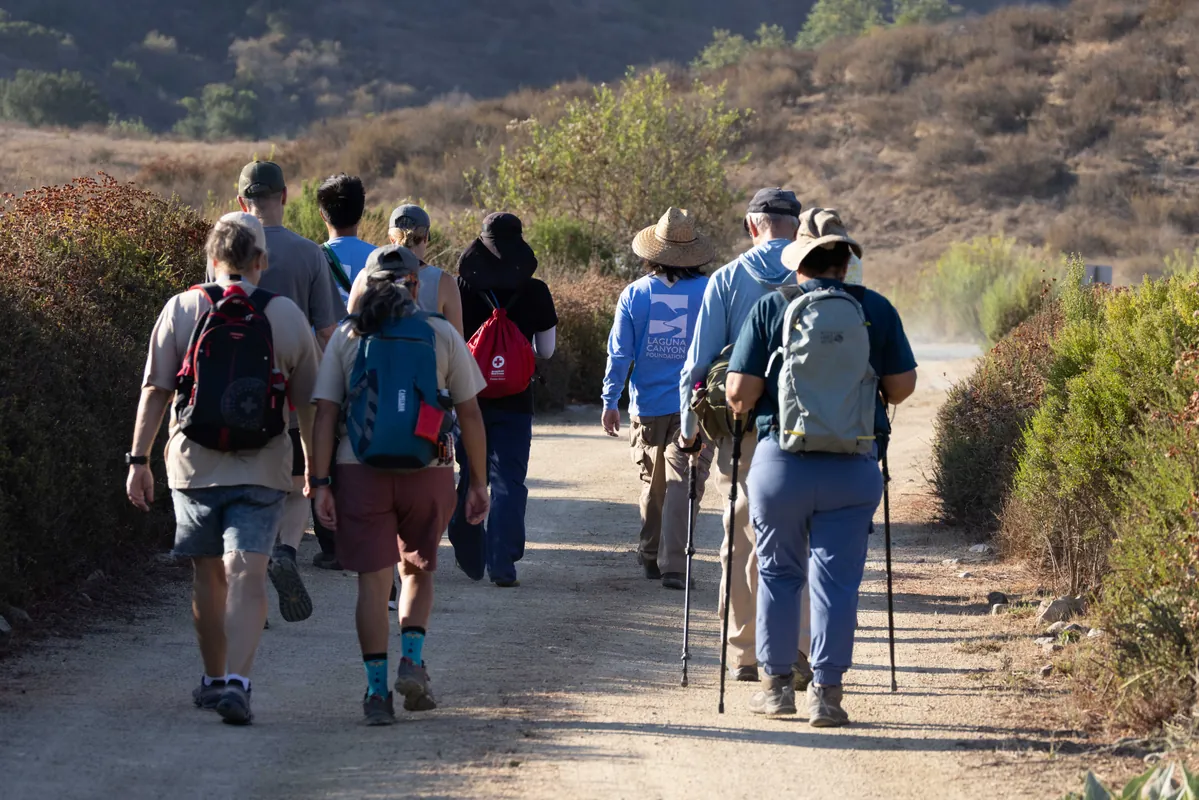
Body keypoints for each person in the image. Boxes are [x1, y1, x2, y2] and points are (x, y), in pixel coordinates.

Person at [725, 208, 918, 724]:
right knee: (835, 583)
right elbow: (901, 387)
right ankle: (827, 696)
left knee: (778, 574)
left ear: (800, 262)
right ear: (843, 262)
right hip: (852, 465)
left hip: (780, 465)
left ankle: (776, 689)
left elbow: (741, 394)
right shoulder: (875, 309)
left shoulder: (771, 308)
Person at [126, 212, 320, 724]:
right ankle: (239, 682)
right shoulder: (285, 315)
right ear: (262, 262)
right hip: (264, 465)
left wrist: (138, 459)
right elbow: (312, 405)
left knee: (207, 574)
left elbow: (157, 388)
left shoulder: (182, 306)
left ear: (212, 260)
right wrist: (317, 475)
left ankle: (212, 680)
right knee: (248, 573)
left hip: (192, 464)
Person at [310, 245, 491, 725]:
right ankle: (412, 658)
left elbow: (325, 412)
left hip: (358, 470)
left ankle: (375, 695)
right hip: (427, 469)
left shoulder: (348, 335)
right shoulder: (441, 333)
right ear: (416, 284)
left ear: (367, 285)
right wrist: (479, 482)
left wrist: (319, 481)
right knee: (418, 572)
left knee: (372, 587)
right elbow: (470, 412)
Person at [678, 188, 806, 685]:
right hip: (807, 425)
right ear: (796, 227)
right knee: (796, 535)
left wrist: (690, 434)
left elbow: (698, 364)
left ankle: (744, 653)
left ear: (753, 226)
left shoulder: (727, 279)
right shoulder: (813, 274)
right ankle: (795, 647)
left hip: (741, 426)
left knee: (740, 534)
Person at [209, 161, 347, 622]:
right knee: (294, 489)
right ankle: (285, 550)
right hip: (290, 397)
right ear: (285, 196)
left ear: (239, 199)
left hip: (228, 396)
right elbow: (327, 330)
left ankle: (247, 587)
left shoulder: (222, 250)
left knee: (240, 491)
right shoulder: (310, 254)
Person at [601, 208, 714, 590]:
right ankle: (674, 562)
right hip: (695, 406)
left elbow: (620, 353)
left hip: (647, 405)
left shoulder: (634, 293)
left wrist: (609, 400)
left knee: (654, 482)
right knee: (686, 482)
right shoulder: (708, 291)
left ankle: (649, 554)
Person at [448, 213, 558, 587]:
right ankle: (502, 562)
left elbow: (449, 343)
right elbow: (547, 350)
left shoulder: (459, 288)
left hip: (468, 397)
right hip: (515, 398)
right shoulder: (536, 290)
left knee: (470, 473)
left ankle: (470, 552)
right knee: (508, 478)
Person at [311, 173, 377, 570]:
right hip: (372, 368)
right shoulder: (381, 258)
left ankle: (331, 544)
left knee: (326, 450)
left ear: (322, 214)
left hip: (324, 368)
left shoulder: (313, 256)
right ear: (362, 212)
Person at [348, 204, 464, 336]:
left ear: (391, 238)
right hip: (426, 356)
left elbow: (349, 331)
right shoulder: (444, 282)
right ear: (426, 237)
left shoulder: (365, 276)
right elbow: (457, 340)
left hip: (376, 355)